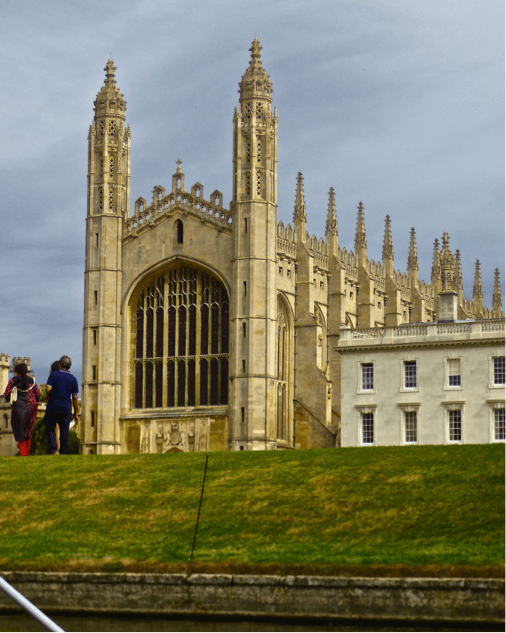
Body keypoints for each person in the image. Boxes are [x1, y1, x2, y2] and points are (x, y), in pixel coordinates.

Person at [3, 363, 41, 456]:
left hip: (18, 409)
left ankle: (23, 453)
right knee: (28, 431)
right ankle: (26, 453)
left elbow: (7, 394)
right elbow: (38, 394)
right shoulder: (32, 381)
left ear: (17, 371)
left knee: (20, 432)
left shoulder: (13, 381)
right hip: (32, 408)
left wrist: (9, 399)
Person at [44, 355, 79, 455]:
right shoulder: (73, 379)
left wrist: (51, 393)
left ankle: (54, 450)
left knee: (50, 428)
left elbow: (48, 389)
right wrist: (76, 412)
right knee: (64, 432)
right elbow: (75, 398)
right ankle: (64, 453)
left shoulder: (54, 374)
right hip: (66, 408)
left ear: (60, 364)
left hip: (53, 406)